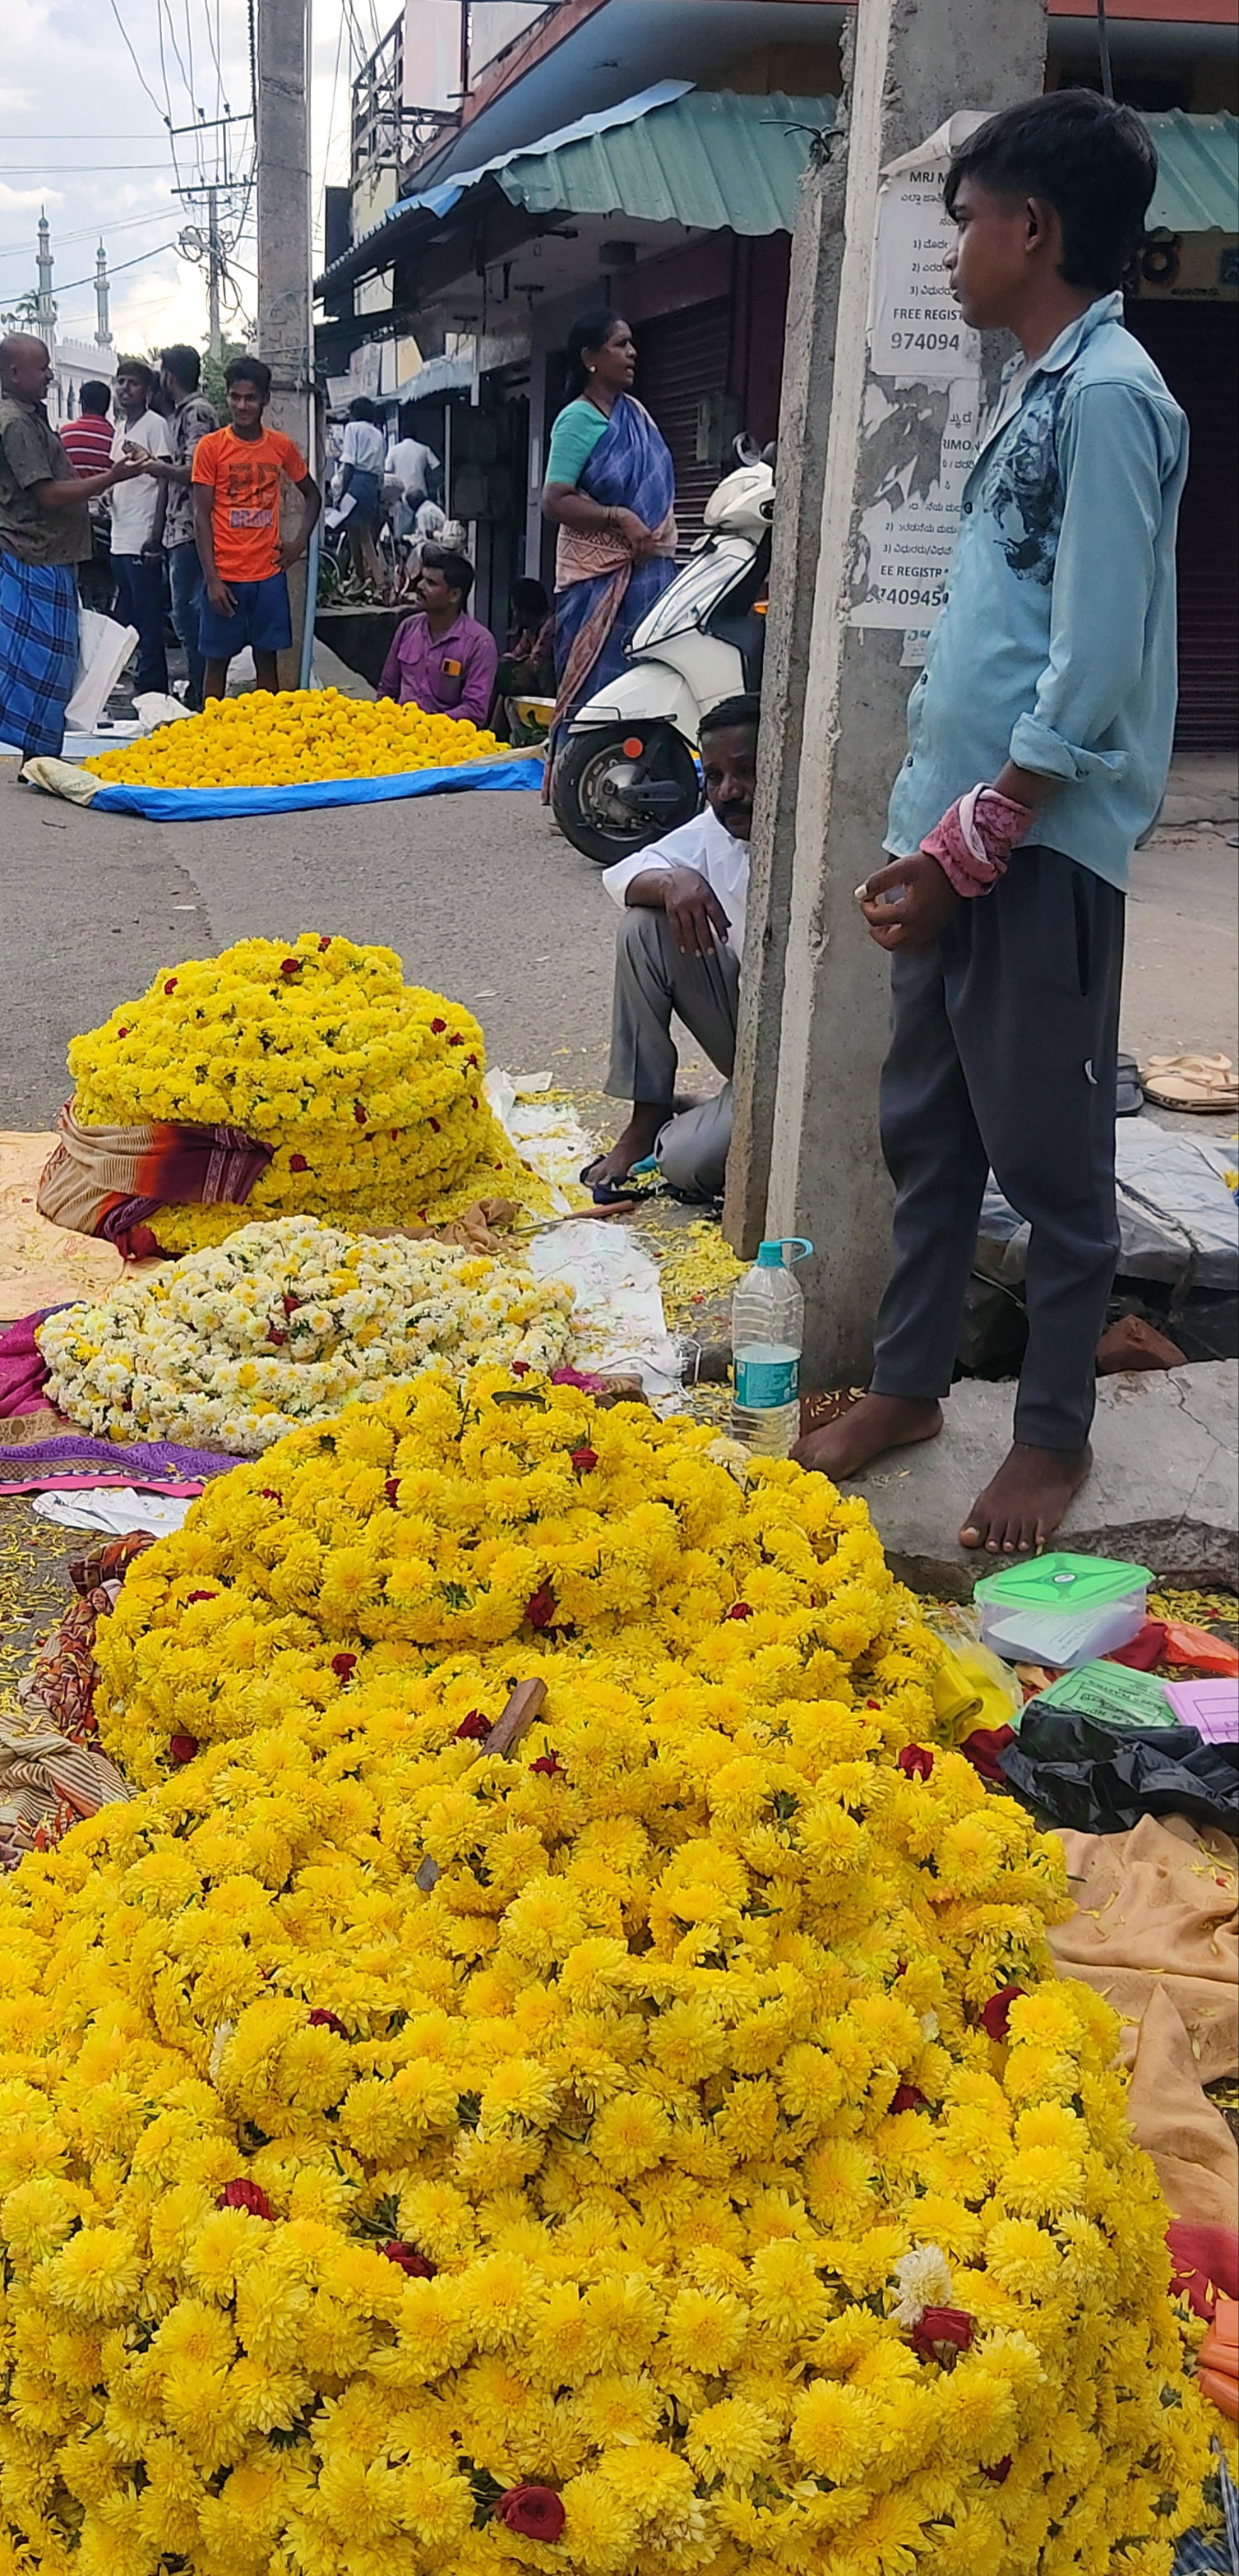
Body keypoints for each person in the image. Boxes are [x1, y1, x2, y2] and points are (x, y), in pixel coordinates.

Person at [795, 93, 1187, 1557]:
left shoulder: (1110, 398)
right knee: (930, 1133)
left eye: (970, 220)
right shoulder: (1035, 386)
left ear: (1037, 229)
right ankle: (906, 1383)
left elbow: (1091, 665)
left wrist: (984, 834)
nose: (956, 245)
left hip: (1032, 850)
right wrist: (931, 835)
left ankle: (1049, 1435)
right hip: (961, 839)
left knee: (1053, 1162)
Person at [581, 697, 757, 1204]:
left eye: (746, 771)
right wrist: (674, 880)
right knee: (643, 928)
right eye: (715, 776)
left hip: (812, 1059)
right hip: (747, 1038)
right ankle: (649, 1112)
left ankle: (708, 1112)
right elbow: (622, 876)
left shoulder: (822, 836)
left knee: (683, 1163)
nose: (729, 792)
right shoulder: (713, 833)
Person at [0, 334, 147, 764]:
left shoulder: (30, 416)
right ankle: (37, 758)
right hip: (34, 554)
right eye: (42, 369)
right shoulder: (15, 422)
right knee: (39, 663)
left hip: (49, 553)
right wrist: (112, 478)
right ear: (14, 373)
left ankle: (40, 754)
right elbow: (48, 495)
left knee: (49, 662)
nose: (50, 377)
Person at [540, 311, 677, 736]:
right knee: (596, 695)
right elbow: (554, 499)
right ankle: (582, 777)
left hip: (649, 574)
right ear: (590, 358)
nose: (633, 352)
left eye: (631, 343)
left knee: (646, 688)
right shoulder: (577, 420)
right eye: (620, 344)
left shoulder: (636, 415)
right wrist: (618, 517)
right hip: (597, 582)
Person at [190, 355, 320, 700]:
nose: (242, 406)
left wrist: (297, 545)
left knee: (268, 664)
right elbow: (200, 516)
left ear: (265, 399)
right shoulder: (211, 447)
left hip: (267, 575)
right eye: (235, 397)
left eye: (250, 398)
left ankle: (269, 735)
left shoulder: (280, 446)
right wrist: (212, 579)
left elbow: (313, 496)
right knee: (215, 664)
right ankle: (212, 737)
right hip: (226, 575)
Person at [153, 345, 220, 709]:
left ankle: (202, 694)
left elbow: (197, 472)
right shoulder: (184, 413)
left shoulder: (195, 413)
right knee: (187, 615)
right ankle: (200, 690)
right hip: (182, 526)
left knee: (189, 616)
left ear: (169, 376)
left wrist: (154, 466)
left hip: (192, 528)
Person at [106, 359, 171, 699]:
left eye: (132, 383)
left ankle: (152, 685)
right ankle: (126, 678)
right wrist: (107, 495)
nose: (124, 389)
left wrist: (155, 536)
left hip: (142, 536)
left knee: (147, 617)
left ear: (147, 391)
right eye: (121, 382)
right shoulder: (121, 427)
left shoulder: (154, 425)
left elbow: (163, 479)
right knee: (125, 614)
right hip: (120, 533)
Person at [377, 548, 497, 726]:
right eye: (422, 579)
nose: (420, 587)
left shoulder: (480, 644)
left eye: (431, 583)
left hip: (447, 743)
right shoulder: (407, 628)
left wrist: (425, 724)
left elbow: (475, 711)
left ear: (454, 595)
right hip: (399, 736)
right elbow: (387, 690)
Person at [59, 379, 117, 611]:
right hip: (106, 520)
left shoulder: (65, 434)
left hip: (71, 516)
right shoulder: (115, 437)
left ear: (81, 403)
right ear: (107, 405)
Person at [332, 397, 388, 592]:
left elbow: (349, 462)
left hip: (356, 481)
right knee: (356, 531)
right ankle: (360, 576)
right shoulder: (378, 434)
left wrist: (343, 492)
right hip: (372, 485)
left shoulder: (353, 428)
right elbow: (381, 469)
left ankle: (377, 580)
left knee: (359, 532)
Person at [490, 575, 556, 729]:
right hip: (535, 683)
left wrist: (519, 663)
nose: (514, 615)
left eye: (514, 610)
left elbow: (535, 662)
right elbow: (516, 655)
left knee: (513, 681)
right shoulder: (529, 631)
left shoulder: (551, 627)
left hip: (548, 691)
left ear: (525, 612)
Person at [386, 423, 441, 550]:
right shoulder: (424, 449)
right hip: (420, 496)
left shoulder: (394, 450)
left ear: (401, 434)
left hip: (401, 498)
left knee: (401, 536)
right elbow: (437, 467)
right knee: (421, 535)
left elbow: (387, 472)